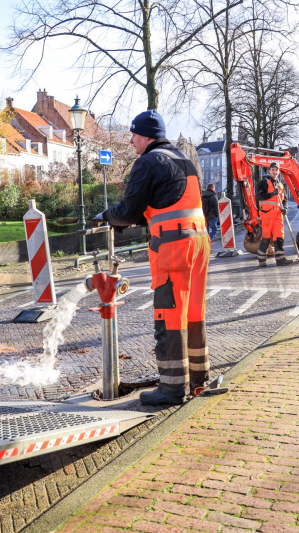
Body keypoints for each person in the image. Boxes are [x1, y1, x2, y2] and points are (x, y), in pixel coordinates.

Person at [90, 110, 210, 406]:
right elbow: (165, 204)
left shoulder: (147, 162)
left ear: (145, 136)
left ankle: (171, 389)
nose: (131, 141)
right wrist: (127, 220)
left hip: (173, 247)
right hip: (199, 243)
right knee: (193, 313)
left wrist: (107, 216)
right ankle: (198, 379)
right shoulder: (184, 160)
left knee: (169, 315)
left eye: (133, 135)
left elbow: (130, 210)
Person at [256, 162, 289, 267]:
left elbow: (285, 200)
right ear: (269, 171)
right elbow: (259, 196)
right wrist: (271, 194)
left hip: (278, 215)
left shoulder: (280, 185)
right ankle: (262, 260)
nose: (275, 171)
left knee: (279, 238)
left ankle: (280, 260)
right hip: (267, 215)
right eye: (273, 170)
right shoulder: (263, 182)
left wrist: (286, 208)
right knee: (265, 238)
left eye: (276, 170)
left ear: (278, 171)